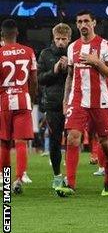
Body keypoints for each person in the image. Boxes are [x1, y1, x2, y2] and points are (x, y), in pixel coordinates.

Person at [55, 10, 108, 197]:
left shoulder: (105, 45)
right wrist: (66, 100)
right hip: (78, 100)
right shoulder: (72, 47)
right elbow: (69, 76)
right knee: (73, 137)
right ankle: (70, 184)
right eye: (79, 21)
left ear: (94, 23)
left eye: (86, 21)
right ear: (76, 24)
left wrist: (97, 63)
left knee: (106, 143)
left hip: (100, 101)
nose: (83, 24)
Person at [0, 19, 37, 194]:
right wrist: (32, 97)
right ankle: (19, 178)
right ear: (17, 33)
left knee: (4, 141)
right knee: (21, 141)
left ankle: (4, 180)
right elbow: (34, 80)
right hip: (23, 99)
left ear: (2, 34)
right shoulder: (29, 51)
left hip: (4, 101)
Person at [37, 23, 71, 189]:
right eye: (58, 39)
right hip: (52, 105)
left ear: (69, 39)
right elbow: (40, 79)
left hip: (72, 103)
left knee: (72, 140)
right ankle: (57, 175)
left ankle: (70, 177)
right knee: (55, 141)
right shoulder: (45, 54)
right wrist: (55, 70)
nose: (60, 42)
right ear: (53, 38)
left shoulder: (74, 52)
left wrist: (69, 69)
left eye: (63, 39)